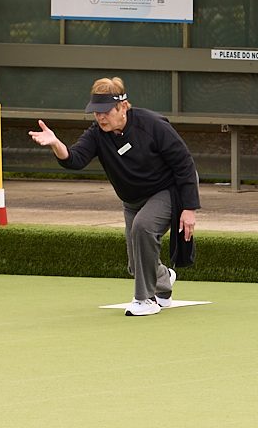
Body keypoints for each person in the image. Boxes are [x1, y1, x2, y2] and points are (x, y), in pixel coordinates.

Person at [29, 77, 201, 317]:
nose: (100, 117)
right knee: (136, 264)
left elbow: (184, 163)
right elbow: (75, 159)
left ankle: (145, 300)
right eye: (95, 112)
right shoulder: (98, 134)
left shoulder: (152, 125)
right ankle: (163, 280)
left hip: (167, 191)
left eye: (105, 111)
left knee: (143, 228)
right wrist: (56, 143)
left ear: (123, 107)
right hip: (132, 200)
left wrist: (190, 208)